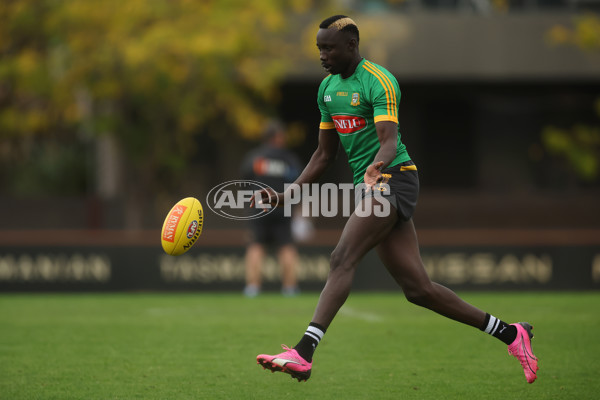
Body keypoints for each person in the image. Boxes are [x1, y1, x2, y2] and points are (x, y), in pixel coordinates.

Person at [254, 15, 539, 383]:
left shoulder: (379, 80)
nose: (322, 55)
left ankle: (303, 352)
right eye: (319, 48)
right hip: (371, 184)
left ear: (352, 46)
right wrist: (287, 194)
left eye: (329, 47)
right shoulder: (326, 89)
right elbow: (324, 155)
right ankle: (511, 334)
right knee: (419, 290)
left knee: (341, 257)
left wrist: (375, 167)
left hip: (394, 178)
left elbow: (389, 139)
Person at [240, 120, 302, 297]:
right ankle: (290, 288)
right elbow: (298, 183)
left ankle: (253, 287)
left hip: (259, 208)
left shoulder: (255, 157)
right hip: (283, 207)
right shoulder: (289, 159)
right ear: (278, 137)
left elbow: (244, 181)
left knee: (256, 246)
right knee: (286, 246)